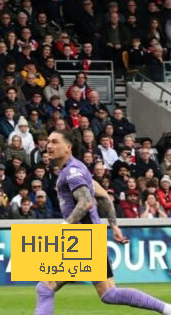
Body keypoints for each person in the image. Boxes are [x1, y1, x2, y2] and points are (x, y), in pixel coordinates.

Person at [35, 130, 171, 315]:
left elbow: (86, 202)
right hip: (90, 238)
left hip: (83, 239)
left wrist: (65, 226)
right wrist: (114, 225)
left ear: (68, 147)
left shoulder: (72, 171)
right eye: (48, 142)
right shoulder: (78, 168)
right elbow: (104, 196)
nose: (49, 146)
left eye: (55, 142)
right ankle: (166, 308)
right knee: (109, 294)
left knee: (45, 288)